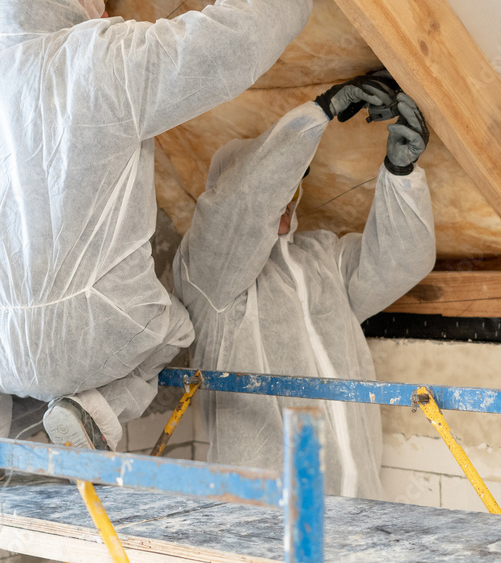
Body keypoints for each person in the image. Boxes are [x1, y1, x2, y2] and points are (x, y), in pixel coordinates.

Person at [0, 0, 315, 484]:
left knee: (24, 362)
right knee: (171, 332)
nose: (104, 12)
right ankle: (94, 412)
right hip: (91, 327)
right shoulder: (100, 58)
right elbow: (226, 42)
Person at [172, 72, 435, 499]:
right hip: (262, 520)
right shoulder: (206, 274)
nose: (284, 194)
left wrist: (400, 173)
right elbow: (239, 206)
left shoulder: (322, 256)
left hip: (356, 503)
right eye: (272, 183)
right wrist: (322, 109)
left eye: (290, 183)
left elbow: (401, 261)